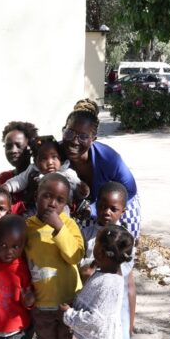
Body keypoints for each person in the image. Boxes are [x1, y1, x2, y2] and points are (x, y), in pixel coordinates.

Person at [79, 182, 141, 339]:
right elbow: (81, 270)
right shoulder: (88, 233)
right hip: (94, 305)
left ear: (122, 211)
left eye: (113, 208)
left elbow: (129, 283)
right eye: (102, 206)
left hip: (118, 309)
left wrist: (131, 320)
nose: (106, 212)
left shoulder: (124, 240)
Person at [24, 173, 84, 339]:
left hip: (68, 304)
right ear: (36, 196)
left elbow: (75, 255)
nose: (52, 203)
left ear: (66, 204)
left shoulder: (69, 226)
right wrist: (26, 289)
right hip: (42, 304)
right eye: (47, 196)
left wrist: (59, 227)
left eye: (59, 200)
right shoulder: (27, 227)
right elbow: (20, 262)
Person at [61, 99, 141, 239]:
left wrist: (95, 209)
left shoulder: (109, 159)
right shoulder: (55, 154)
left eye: (83, 136)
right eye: (69, 133)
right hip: (79, 209)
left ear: (93, 139)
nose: (74, 141)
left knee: (120, 243)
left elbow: (130, 190)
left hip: (112, 205)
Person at [2, 136, 85, 210]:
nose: (50, 162)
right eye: (44, 158)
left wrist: (83, 189)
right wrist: (7, 186)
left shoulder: (66, 172)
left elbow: (78, 186)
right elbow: (20, 180)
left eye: (54, 157)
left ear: (60, 158)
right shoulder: (34, 170)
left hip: (62, 211)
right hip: (37, 212)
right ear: (36, 161)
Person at [0, 121, 38, 215]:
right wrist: (29, 195)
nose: (13, 150)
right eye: (8, 146)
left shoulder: (41, 174)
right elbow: (3, 213)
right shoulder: (5, 178)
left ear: (30, 148)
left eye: (18, 145)